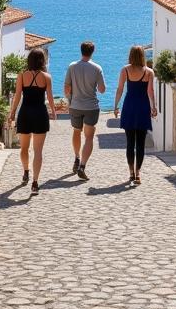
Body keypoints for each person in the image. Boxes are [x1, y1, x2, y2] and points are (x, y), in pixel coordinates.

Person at [8, 48, 56, 195]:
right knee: (38, 151)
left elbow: (17, 96)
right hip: (40, 114)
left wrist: (12, 113)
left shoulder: (22, 75)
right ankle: (35, 182)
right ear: (42, 60)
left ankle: (26, 171)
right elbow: (50, 97)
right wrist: (53, 112)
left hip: (25, 114)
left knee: (23, 148)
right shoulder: (46, 77)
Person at [113, 45, 157, 185]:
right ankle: (138, 174)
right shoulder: (149, 72)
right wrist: (153, 107)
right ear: (143, 56)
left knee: (130, 142)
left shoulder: (125, 70)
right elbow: (150, 92)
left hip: (130, 107)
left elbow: (120, 89)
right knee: (141, 144)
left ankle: (131, 172)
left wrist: (115, 106)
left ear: (130, 55)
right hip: (143, 107)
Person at [64, 41, 106, 181]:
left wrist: (70, 100)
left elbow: (67, 88)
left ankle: (76, 157)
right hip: (91, 107)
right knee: (89, 137)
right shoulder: (97, 68)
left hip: (75, 105)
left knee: (76, 131)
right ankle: (82, 166)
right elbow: (102, 89)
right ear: (93, 51)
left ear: (81, 50)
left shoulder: (72, 66)